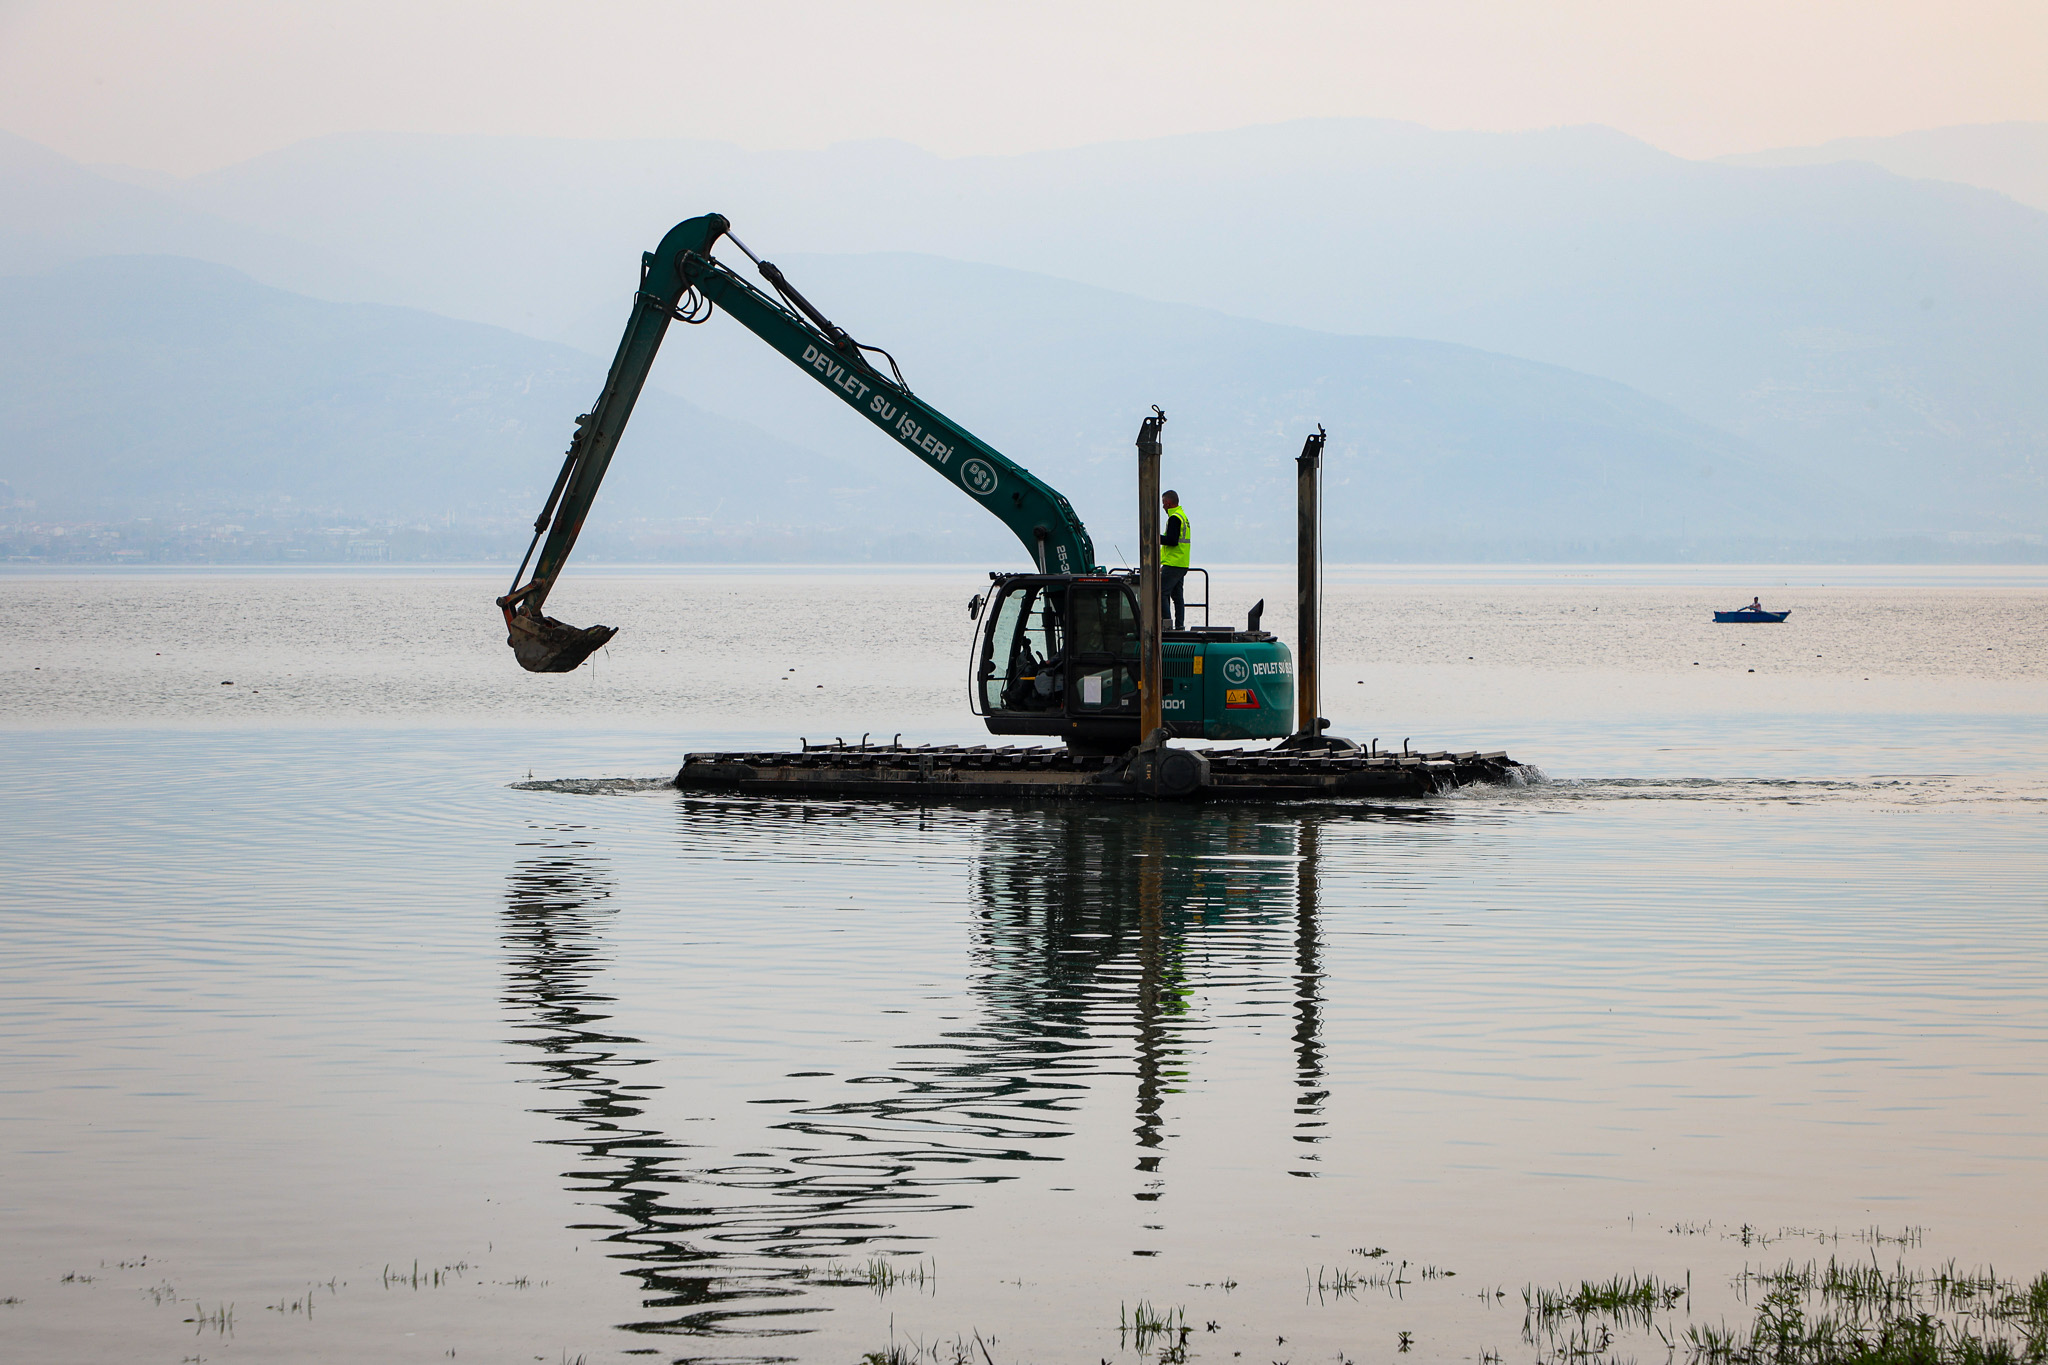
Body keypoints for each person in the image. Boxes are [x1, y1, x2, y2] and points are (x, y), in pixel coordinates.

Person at [1160, 490, 1192, 630]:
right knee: (1177, 597)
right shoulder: (1183, 516)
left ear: (1168, 503)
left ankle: (1166, 624)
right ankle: (1180, 625)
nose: (1163, 507)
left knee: (1161, 593)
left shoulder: (1174, 518)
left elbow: (1172, 541)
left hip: (1173, 563)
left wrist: (1155, 537)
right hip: (1182, 563)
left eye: (1163, 504)